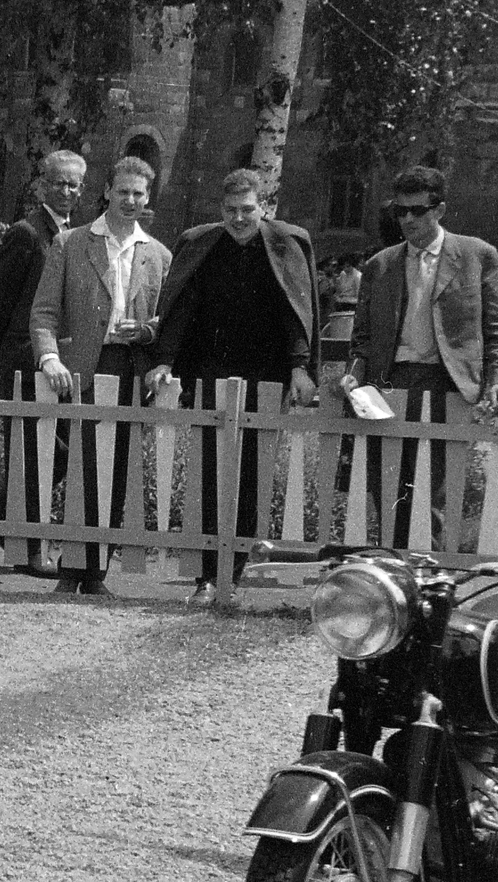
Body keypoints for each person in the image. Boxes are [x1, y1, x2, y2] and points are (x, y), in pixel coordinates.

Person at [147, 167, 318, 604]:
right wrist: (165, 360)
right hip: (211, 374)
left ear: (263, 207)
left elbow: (295, 310)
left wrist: (300, 367)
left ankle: (240, 573)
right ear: (220, 210)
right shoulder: (200, 243)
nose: (239, 219)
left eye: (247, 210)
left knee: (253, 479)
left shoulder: (287, 242)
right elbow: (180, 307)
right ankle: (207, 577)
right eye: (230, 210)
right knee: (209, 475)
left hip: (266, 376)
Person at [343, 165, 498, 550]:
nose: (407, 219)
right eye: (400, 211)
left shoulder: (477, 256)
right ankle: (393, 581)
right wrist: (355, 373)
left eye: (417, 210)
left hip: (446, 385)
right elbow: (363, 338)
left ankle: (431, 586)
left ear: (439, 210)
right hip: (388, 385)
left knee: (434, 493)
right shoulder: (381, 265)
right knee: (388, 489)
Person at [29, 155, 172, 596]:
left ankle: (94, 575)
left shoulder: (158, 255)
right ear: (107, 191)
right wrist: (49, 357)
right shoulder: (71, 243)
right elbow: (45, 311)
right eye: (123, 191)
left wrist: (147, 330)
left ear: (148, 198)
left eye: (139, 194)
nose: (130, 201)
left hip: (130, 370)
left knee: (116, 471)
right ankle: (72, 571)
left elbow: (168, 321)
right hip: (85, 370)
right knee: (84, 466)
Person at [0, 149, 86, 575]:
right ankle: (24, 549)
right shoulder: (27, 232)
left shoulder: (74, 234)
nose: (66, 191)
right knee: (33, 453)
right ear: (42, 183)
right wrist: (0, 361)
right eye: (58, 182)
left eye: (73, 185)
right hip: (23, 359)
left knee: (58, 449)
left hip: (56, 362)